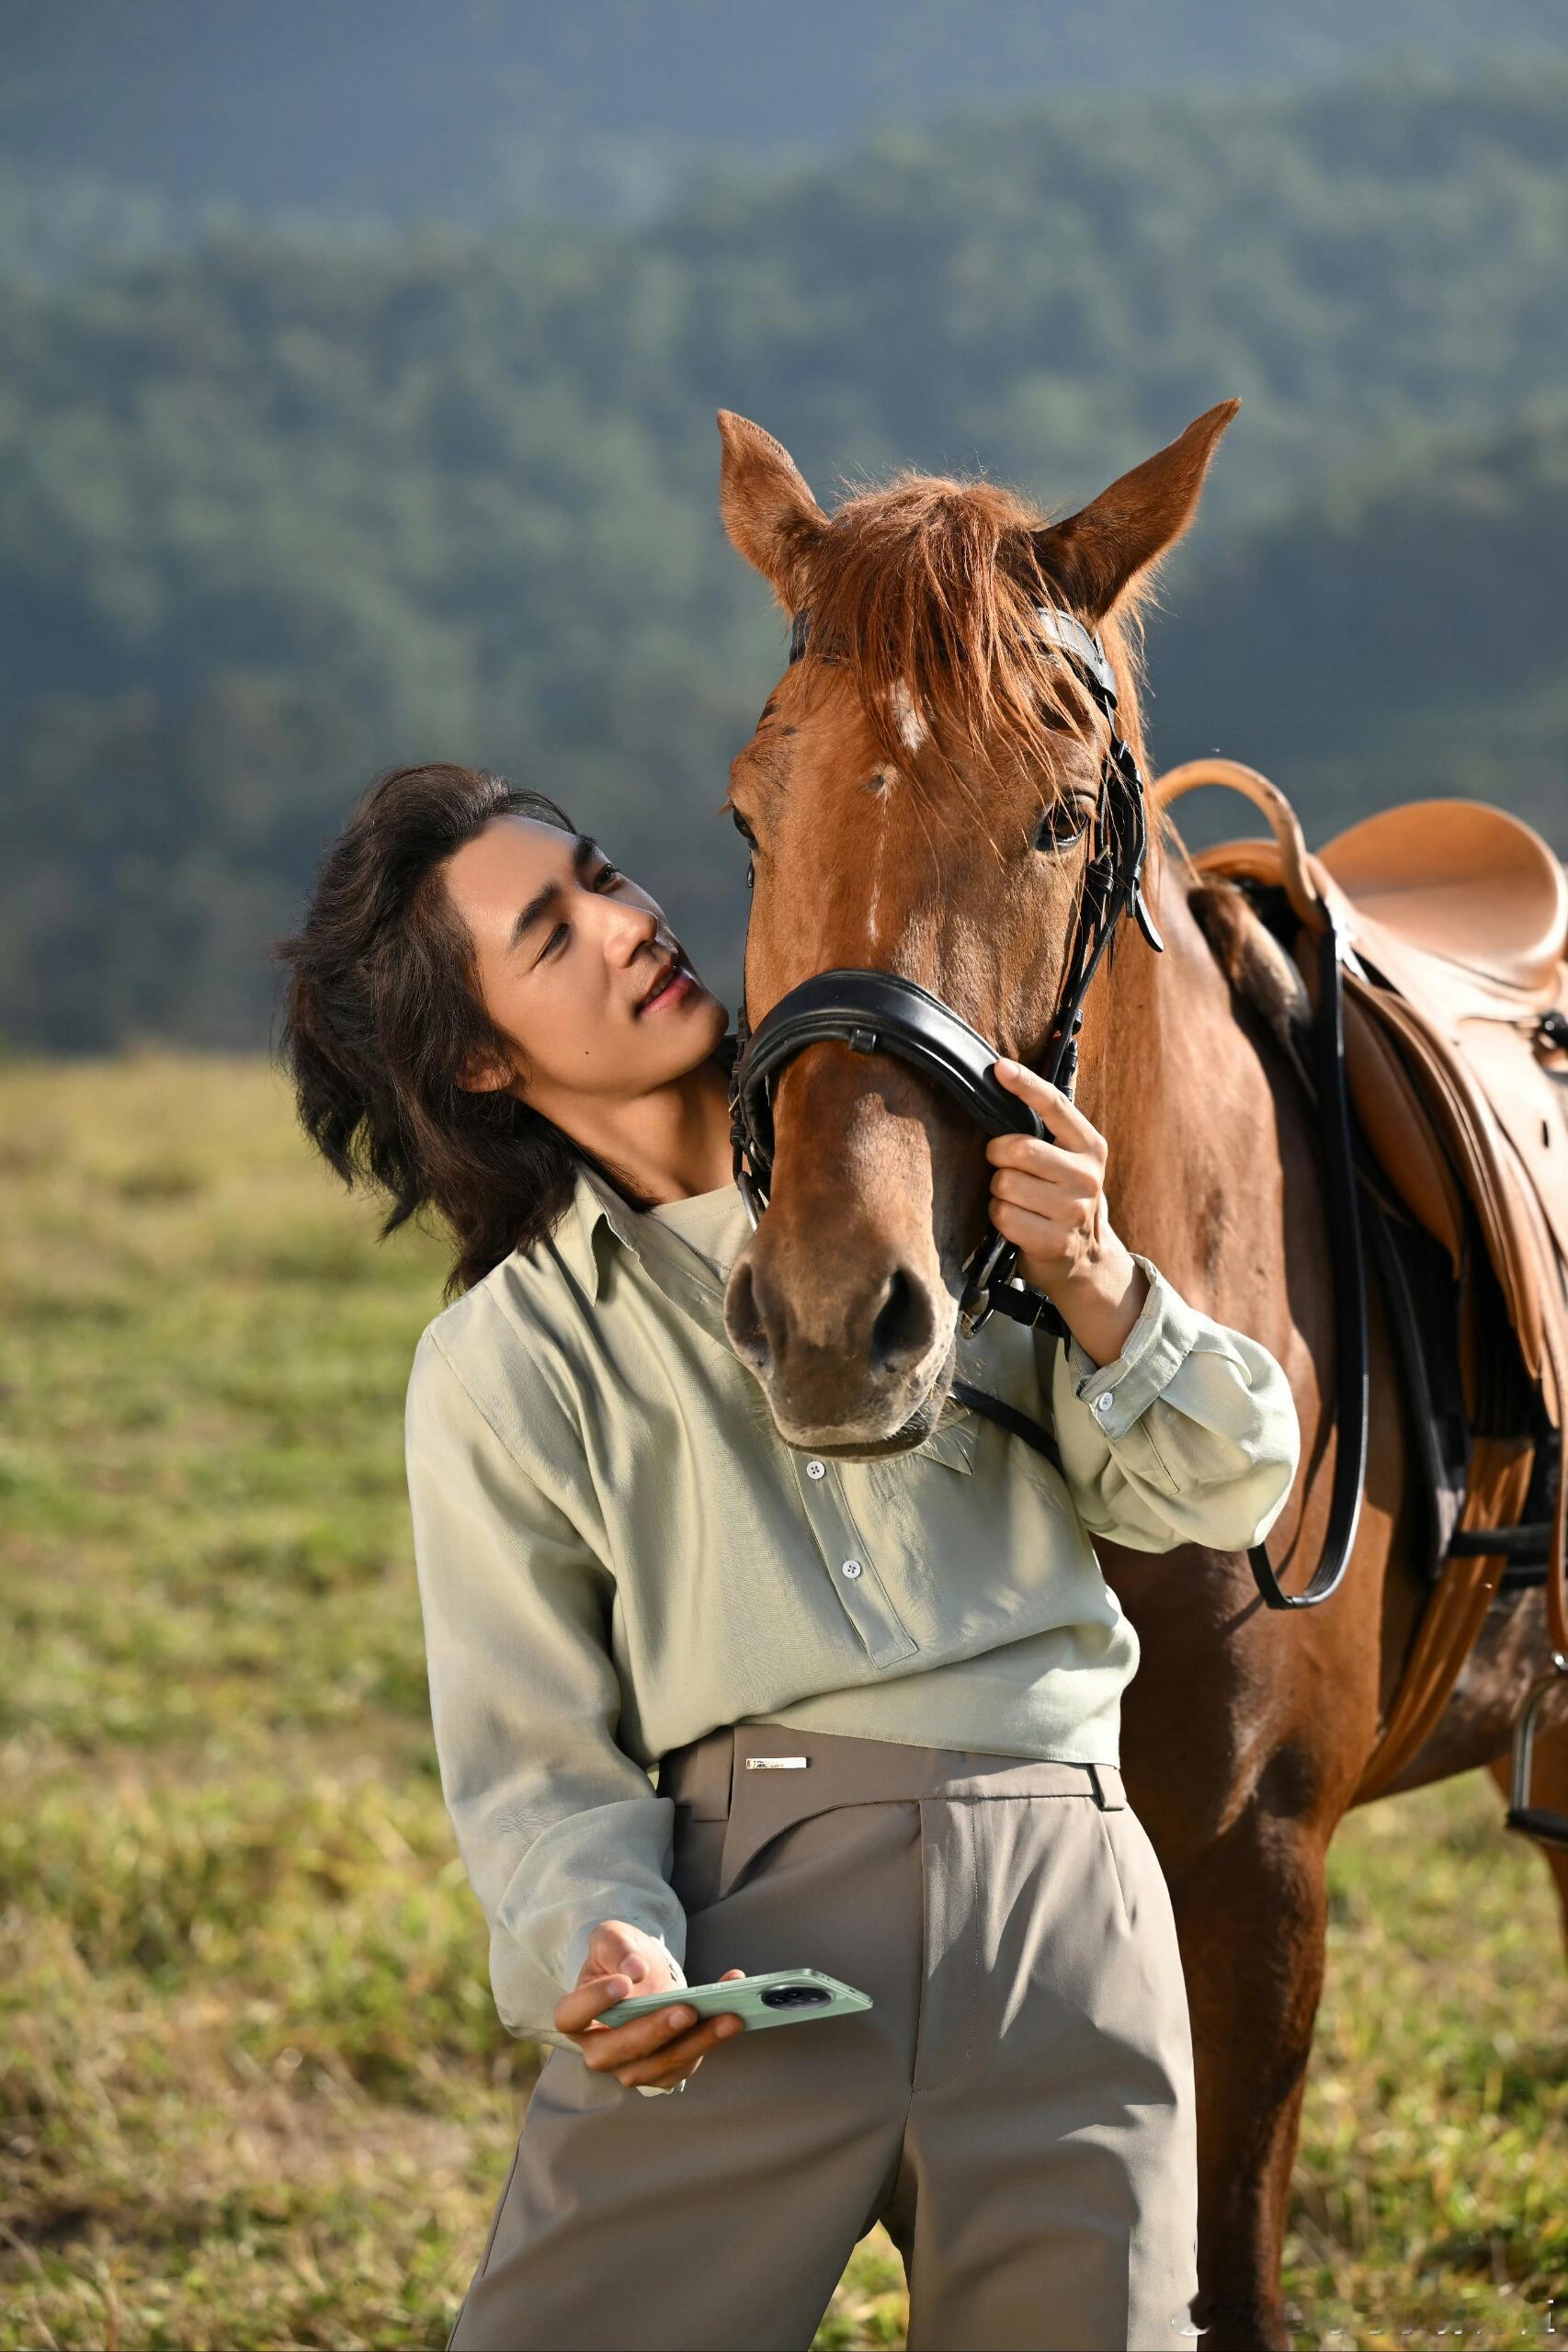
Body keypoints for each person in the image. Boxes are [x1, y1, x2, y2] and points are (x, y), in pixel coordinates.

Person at [275, 759, 1301, 2352]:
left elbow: (1224, 1489)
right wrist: (605, 1934)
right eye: (550, 933)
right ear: (479, 1057)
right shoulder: (504, 1360)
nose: (627, 923)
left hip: (1067, 1907)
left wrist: (1098, 1279)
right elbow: (533, 1756)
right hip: (745, 1942)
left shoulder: (943, 1186)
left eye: (602, 874)